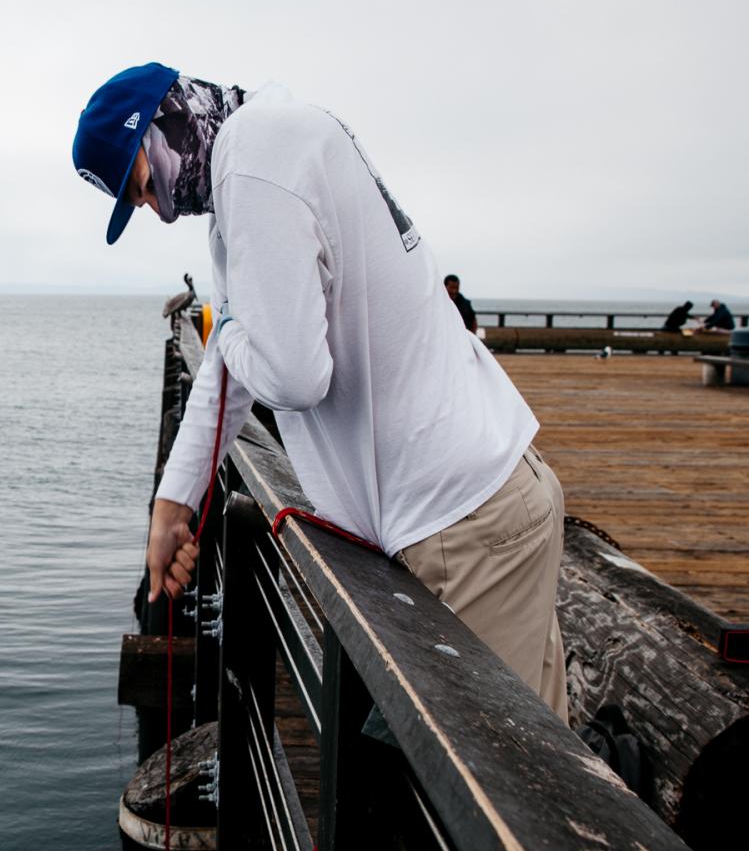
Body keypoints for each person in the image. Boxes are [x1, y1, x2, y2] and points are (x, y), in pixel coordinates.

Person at [72, 63, 568, 718]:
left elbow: (290, 375)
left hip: (462, 528)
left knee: (500, 800)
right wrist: (173, 504)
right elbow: (233, 363)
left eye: (139, 189)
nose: (156, 211)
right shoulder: (255, 161)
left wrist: (234, 329)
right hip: (472, 510)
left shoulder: (254, 164)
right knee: (538, 784)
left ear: (159, 127)